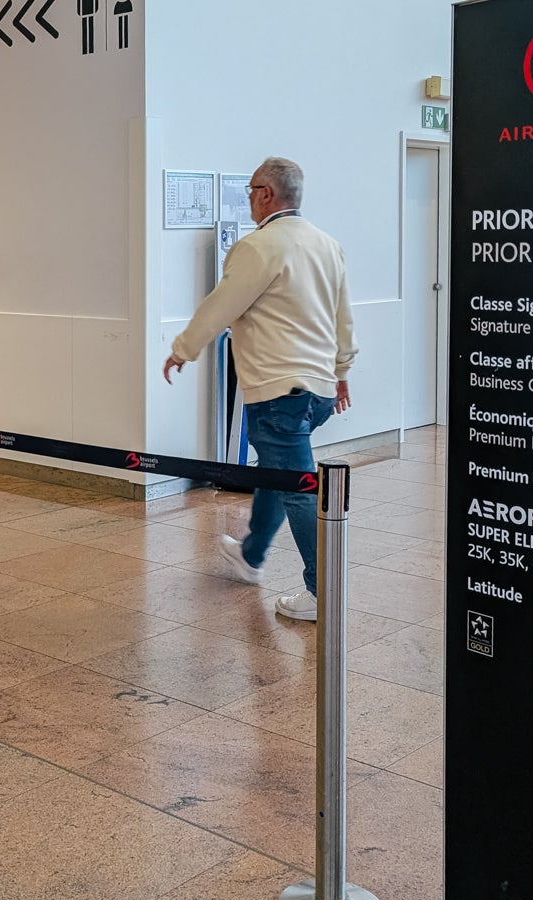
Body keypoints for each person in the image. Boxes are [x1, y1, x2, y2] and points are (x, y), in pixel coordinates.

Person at [163, 157, 356, 622]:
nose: (247, 198)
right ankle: (251, 556)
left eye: (250, 189)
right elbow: (342, 315)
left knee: (300, 490)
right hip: (319, 390)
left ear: (267, 194)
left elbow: (220, 306)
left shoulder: (259, 247)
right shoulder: (326, 244)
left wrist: (182, 349)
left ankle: (321, 594)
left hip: (277, 392)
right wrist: (343, 370)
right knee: (278, 471)